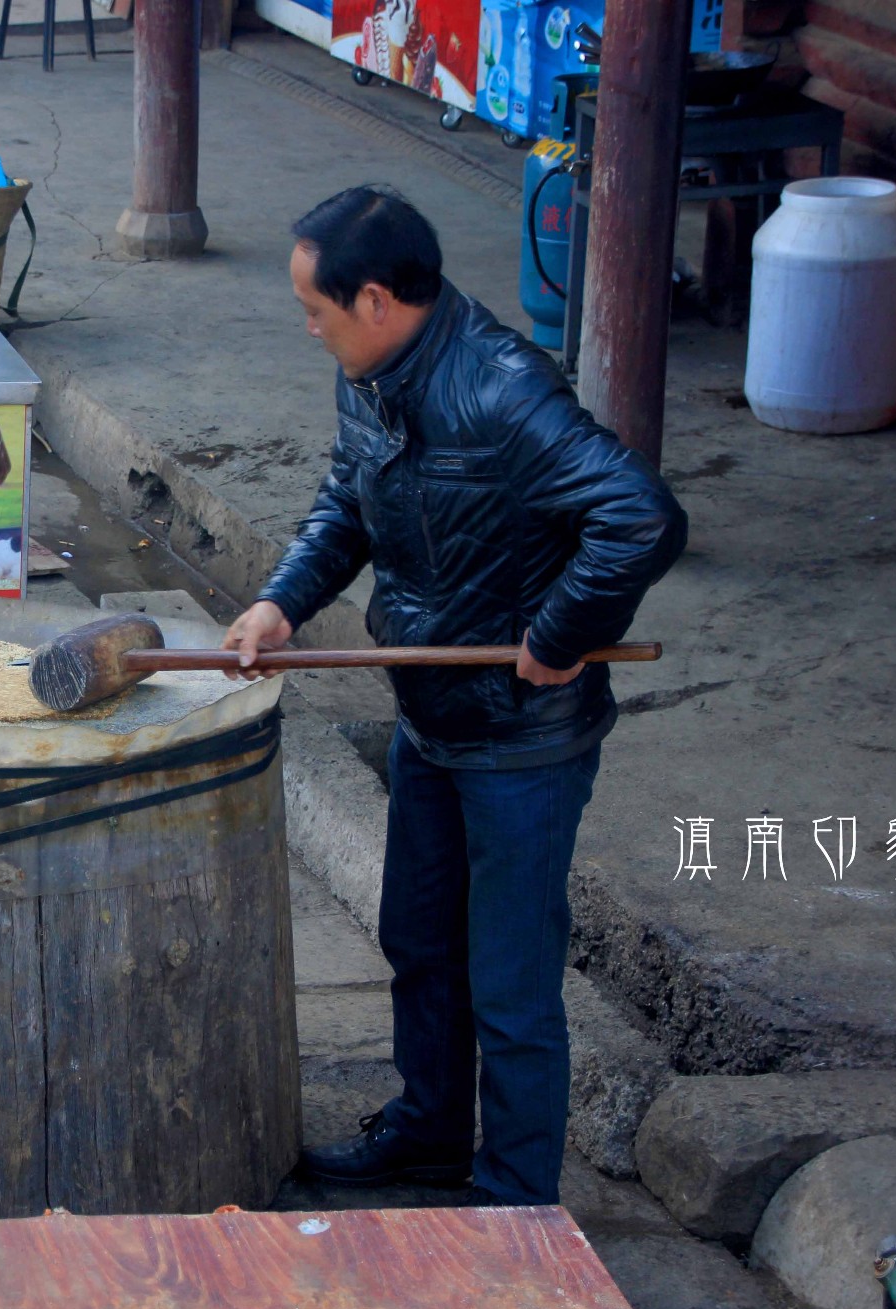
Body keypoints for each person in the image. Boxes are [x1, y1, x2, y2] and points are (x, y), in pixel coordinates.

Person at [223, 186, 686, 1207]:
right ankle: (428, 1136)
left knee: (510, 984)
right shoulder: (370, 374)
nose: (307, 328)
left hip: (521, 740)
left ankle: (514, 1195)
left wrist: (559, 637)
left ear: (377, 300)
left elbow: (639, 517)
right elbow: (345, 497)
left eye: (315, 309)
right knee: (419, 943)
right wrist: (279, 604)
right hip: (428, 716)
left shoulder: (500, 388)